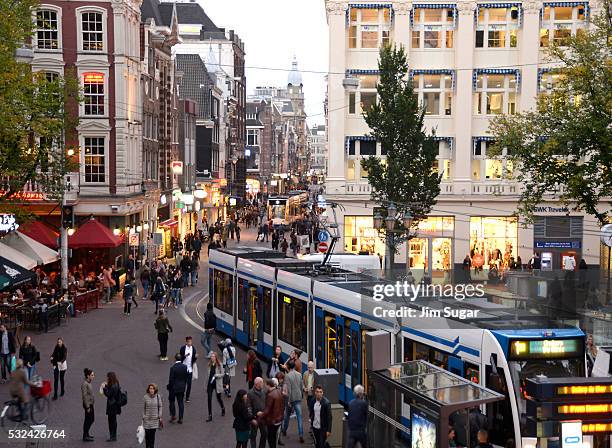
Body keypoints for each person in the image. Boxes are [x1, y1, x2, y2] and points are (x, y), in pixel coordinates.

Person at [280, 361, 304, 443]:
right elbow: (301, 386)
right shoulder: (299, 374)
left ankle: (284, 430)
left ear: (288, 367)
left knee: (287, 415)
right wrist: (301, 396)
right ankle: (301, 434)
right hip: (298, 397)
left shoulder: (287, 376)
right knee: (299, 417)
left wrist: (289, 401)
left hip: (291, 398)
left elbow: (289, 389)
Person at [258, 378, 285, 448]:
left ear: (268, 385)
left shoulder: (270, 395)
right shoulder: (279, 391)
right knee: (274, 438)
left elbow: (267, 410)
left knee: (271, 439)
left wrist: (260, 416)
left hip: (272, 421)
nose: (264, 387)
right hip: (279, 419)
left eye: (265, 385)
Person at [167, 353, 188, 424]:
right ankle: (181, 418)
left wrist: (169, 387)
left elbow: (171, 380)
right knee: (180, 403)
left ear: (175, 359)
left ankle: (173, 416)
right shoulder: (185, 367)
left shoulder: (173, 368)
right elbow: (186, 378)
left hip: (173, 388)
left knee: (172, 401)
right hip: (181, 387)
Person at [102, 372, 122, 442]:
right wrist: (107, 386)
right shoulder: (116, 383)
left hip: (111, 405)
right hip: (115, 405)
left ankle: (112, 436)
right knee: (114, 421)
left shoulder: (113, 386)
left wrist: (104, 388)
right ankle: (114, 435)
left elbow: (109, 394)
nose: (107, 378)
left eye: (108, 377)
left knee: (111, 421)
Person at [206, 351, 226, 422]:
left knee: (218, 398)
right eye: (211, 356)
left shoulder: (219, 364)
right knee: (209, 398)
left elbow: (223, 374)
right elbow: (208, 376)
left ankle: (223, 408)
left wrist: (216, 375)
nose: (212, 358)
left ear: (216, 357)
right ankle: (210, 415)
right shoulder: (209, 364)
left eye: (213, 356)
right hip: (210, 384)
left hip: (217, 384)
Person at [248, 377, 267, 448]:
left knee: (264, 434)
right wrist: (253, 416)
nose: (263, 384)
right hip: (255, 418)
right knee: (253, 435)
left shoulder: (264, 391)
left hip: (263, 418)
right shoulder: (250, 393)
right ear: (257, 384)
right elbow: (248, 407)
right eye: (261, 382)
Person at [143, 383, 163, 448]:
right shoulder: (145, 397)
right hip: (147, 420)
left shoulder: (158, 397)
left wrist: (159, 415)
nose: (151, 390)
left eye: (153, 389)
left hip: (154, 420)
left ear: (155, 390)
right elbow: (143, 408)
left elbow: (160, 406)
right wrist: (143, 416)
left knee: (152, 436)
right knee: (147, 436)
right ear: (148, 389)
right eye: (150, 388)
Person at [179, 336, 197, 403]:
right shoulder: (183, 348)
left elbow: (194, 360)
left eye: (191, 341)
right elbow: (180, 358)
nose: (190, 343)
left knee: (189, 384)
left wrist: (195, 357)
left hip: (190, 369)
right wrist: (184, 356)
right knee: (183, 383)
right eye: (189, 342)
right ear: (186, 342)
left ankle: (187, 397)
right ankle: (181, 395)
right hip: (183, 368)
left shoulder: (193, 349)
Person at [81, 368, 95, 442]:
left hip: (90, 404)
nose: (93, 376)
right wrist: (87, 407)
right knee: (88, 420)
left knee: (91, 419)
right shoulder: (85, 384)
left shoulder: (89, 383)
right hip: (88, 405)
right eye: (92, 375)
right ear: (88, 376)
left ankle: (87, 434)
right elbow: (84, 396)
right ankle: (85, 435)